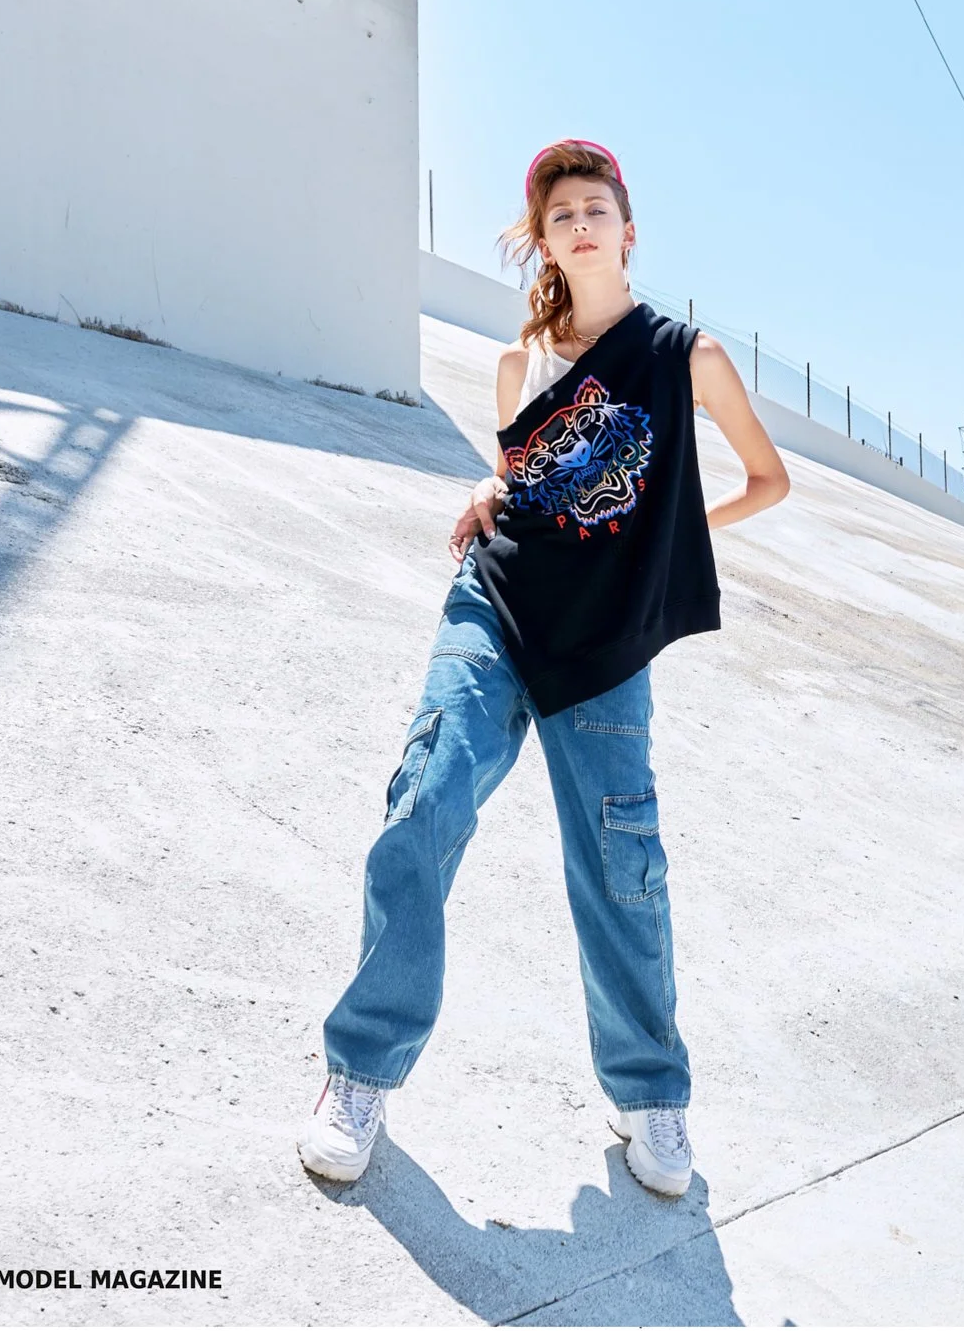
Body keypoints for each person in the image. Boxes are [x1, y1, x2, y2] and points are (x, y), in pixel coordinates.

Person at [298, 139, 789, 1198]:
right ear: (546, 239)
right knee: (421, 807)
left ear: (626, 228)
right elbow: (530, 476)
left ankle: (651, 1098)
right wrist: (485, 484)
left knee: (621, 867)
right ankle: (360, 1072)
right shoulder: (520, 360)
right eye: (558, 212)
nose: (577, 223)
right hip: (498, 604)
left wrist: (669, 540)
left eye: (594, 206)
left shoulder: (684, 354)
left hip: (608, 641)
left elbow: (767, 478)